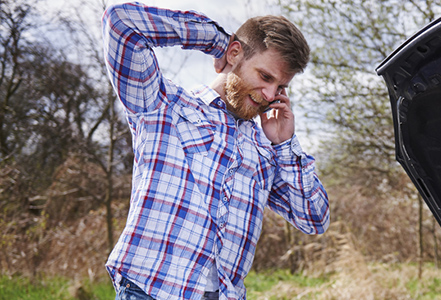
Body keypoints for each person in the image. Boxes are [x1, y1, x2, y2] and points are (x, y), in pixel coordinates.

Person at [101, 2, 329, 300]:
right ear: (235, 54)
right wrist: (218, 41)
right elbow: (121, 22)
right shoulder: (163, 105)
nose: (270, 95)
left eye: (281, 87)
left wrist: (284, 145)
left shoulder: (265, 151)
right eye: (265, 77)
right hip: (151, 293)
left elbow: (314, 218)